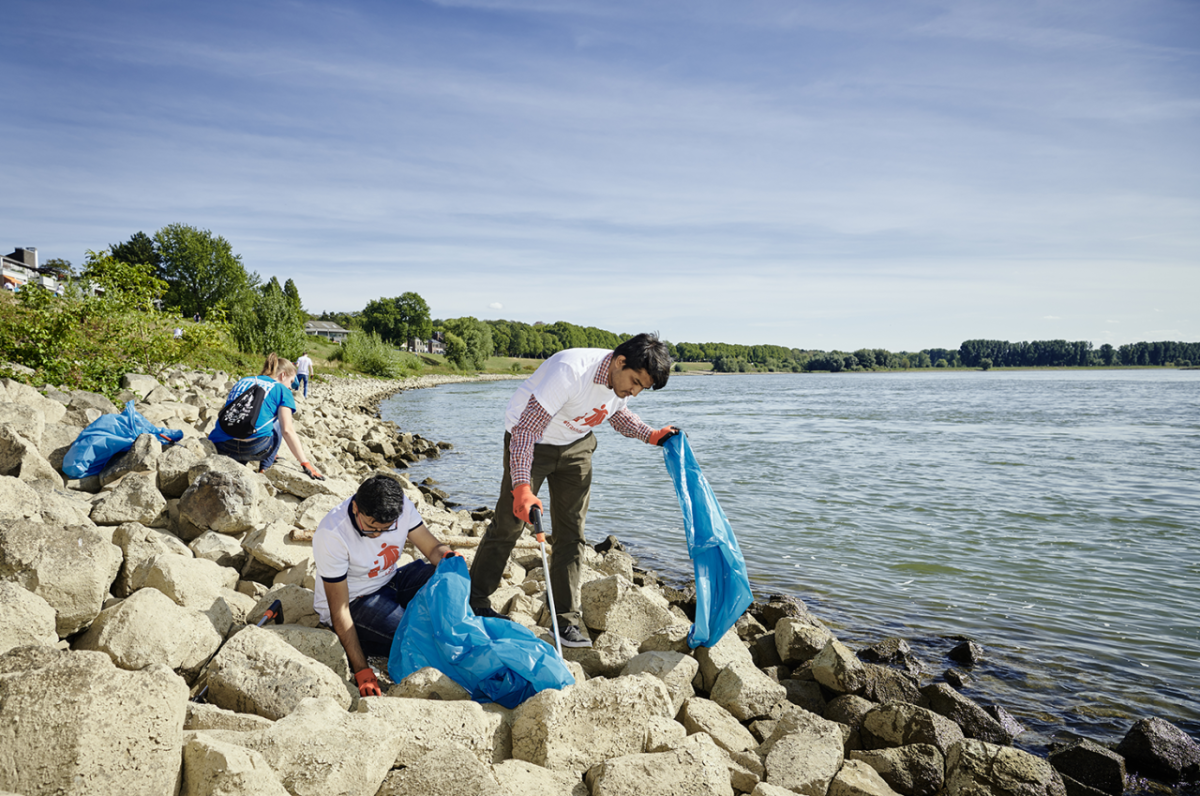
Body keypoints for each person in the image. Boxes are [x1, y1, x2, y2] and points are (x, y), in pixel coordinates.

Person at [469, 332, 679, 648]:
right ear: (620, 362)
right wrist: (522, 488)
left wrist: (651, 435)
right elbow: (526, 431)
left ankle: (565, 621)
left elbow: (615, 414)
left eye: (641, 388)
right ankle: (476, 601)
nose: (634, 392)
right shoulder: (570, 371)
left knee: (572, 534)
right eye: (634, 382)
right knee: (509, 524)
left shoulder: (620, 380)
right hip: (531, 442)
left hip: (576, 446)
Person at [313, 474, 460, 697]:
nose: (377, 534)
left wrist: (450, 559)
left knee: (448, 575)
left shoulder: (400, 507)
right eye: (371, 527)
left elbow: (432, 550)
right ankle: (368, 644)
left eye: (386, 529)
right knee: (417, 636)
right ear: (355, 508)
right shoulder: (332, 534)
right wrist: (361, 670)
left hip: (391, 580)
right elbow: (339, 610)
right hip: (356, 601)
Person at [209, 352, 324, 479]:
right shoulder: (282, 390)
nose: (290, 387)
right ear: (283, 375)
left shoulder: (243, 381)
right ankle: (264, 469)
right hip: (255, 448)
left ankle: (237, 461)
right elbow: (287, 431)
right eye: (291, 381)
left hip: (222, 445)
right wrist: (305, 463)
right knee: (279, 421)